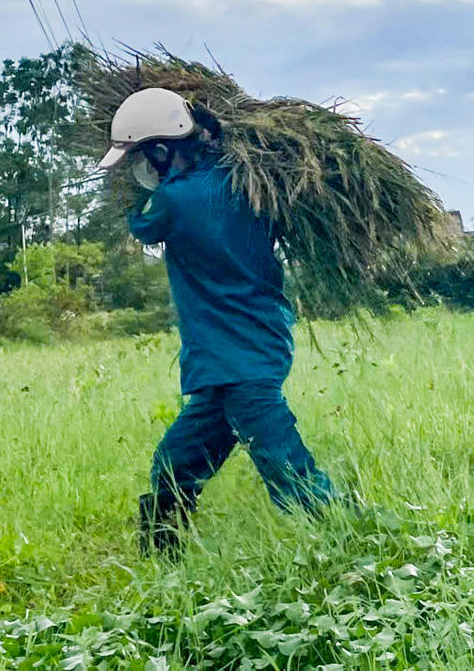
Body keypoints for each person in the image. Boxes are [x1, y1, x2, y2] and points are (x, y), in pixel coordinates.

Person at [98, 88, 336, 557]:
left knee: (284, 464)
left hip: (239, 359)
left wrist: (129, 196)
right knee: (177, 459)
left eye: (143, 157)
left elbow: (140, 225)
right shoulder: (243, 179)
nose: (141, 168)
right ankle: (163, 558)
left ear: (164, 150)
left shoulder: (175, 200)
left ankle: (344, 538)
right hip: (244, 349)